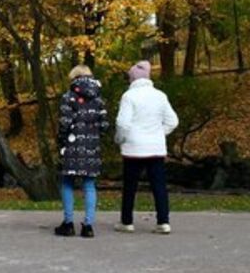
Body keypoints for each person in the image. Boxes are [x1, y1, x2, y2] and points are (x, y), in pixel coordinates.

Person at [114, 60, 179, 235]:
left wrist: (120, 139)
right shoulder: (160, 95)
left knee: (130, 186)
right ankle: (163, 222)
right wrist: (159, 133)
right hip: (156, 148)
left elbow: (123, 123)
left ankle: (126, 221)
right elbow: (173, 121)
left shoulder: (129, 96)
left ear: (132, 79)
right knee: (159, 186)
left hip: (133, 149)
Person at [54, 64, 109, 238]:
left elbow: (64, 123)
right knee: (89, 185)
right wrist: (93, 135)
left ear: (74, 78)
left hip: (71, 146)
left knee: (67, 183)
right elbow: (105, 125)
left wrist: (61, 140)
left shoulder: (68, 97)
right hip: (91, 147)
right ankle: (88, 226)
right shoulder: (99, 99)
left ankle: (68, 223)